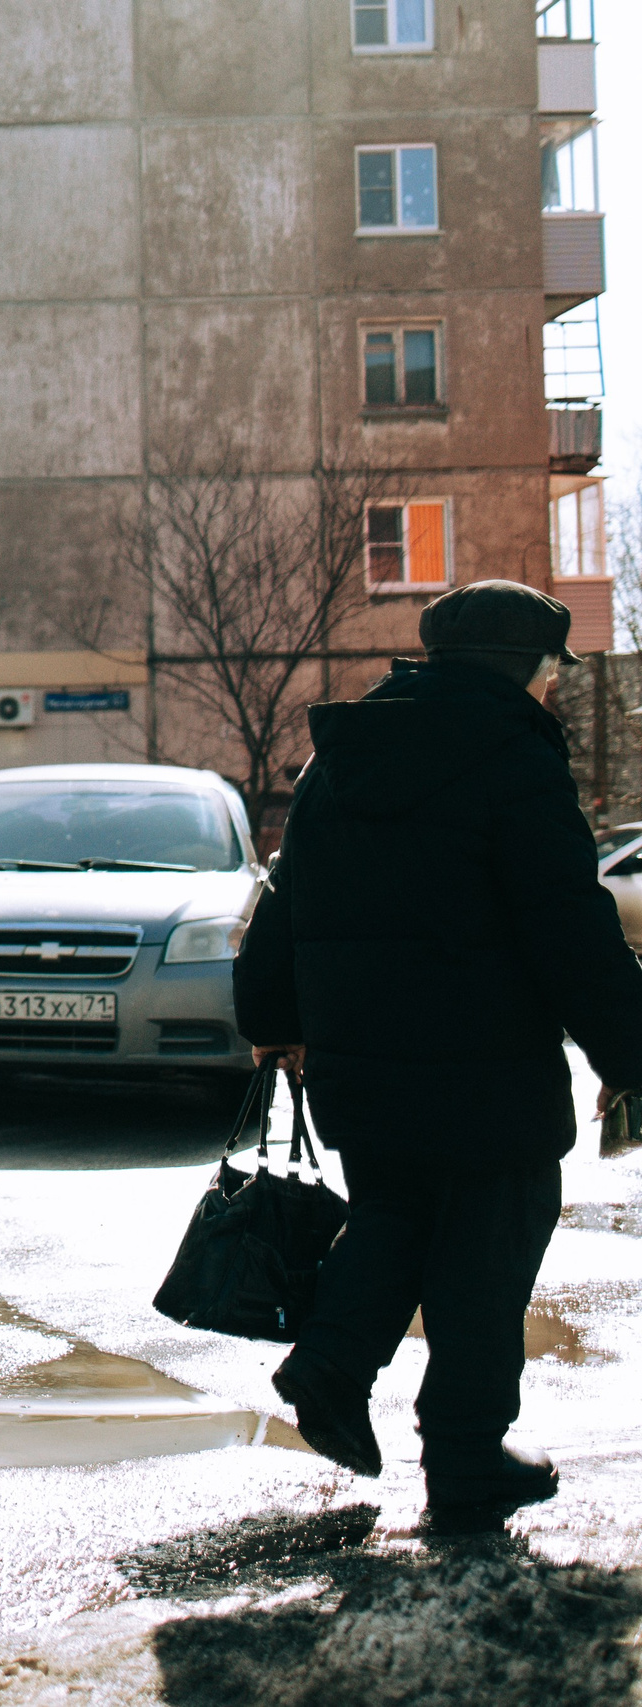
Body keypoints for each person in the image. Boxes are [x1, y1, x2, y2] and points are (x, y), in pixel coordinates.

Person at [235, 579, 642, 1515]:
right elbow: (569, 927)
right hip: (485, 1064)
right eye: (550, 672)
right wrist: (631, 1046)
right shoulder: (514, 755)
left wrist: (270, 1020)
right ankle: (463, 1459)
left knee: (400, 1210)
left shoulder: (347, 752)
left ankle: (333, 1366)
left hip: (361, 1062)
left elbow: (285, 899)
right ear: (532, 669)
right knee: (489, 1245)